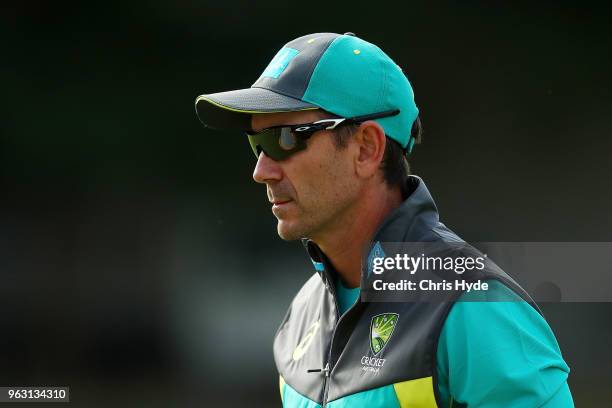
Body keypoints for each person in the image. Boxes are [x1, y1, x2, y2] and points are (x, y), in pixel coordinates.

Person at [195, 32, 573, 407]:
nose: (262, 171)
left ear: (367, 148)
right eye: (257, 144)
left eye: (285, 139)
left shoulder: (472, 305)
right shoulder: (301, 314)